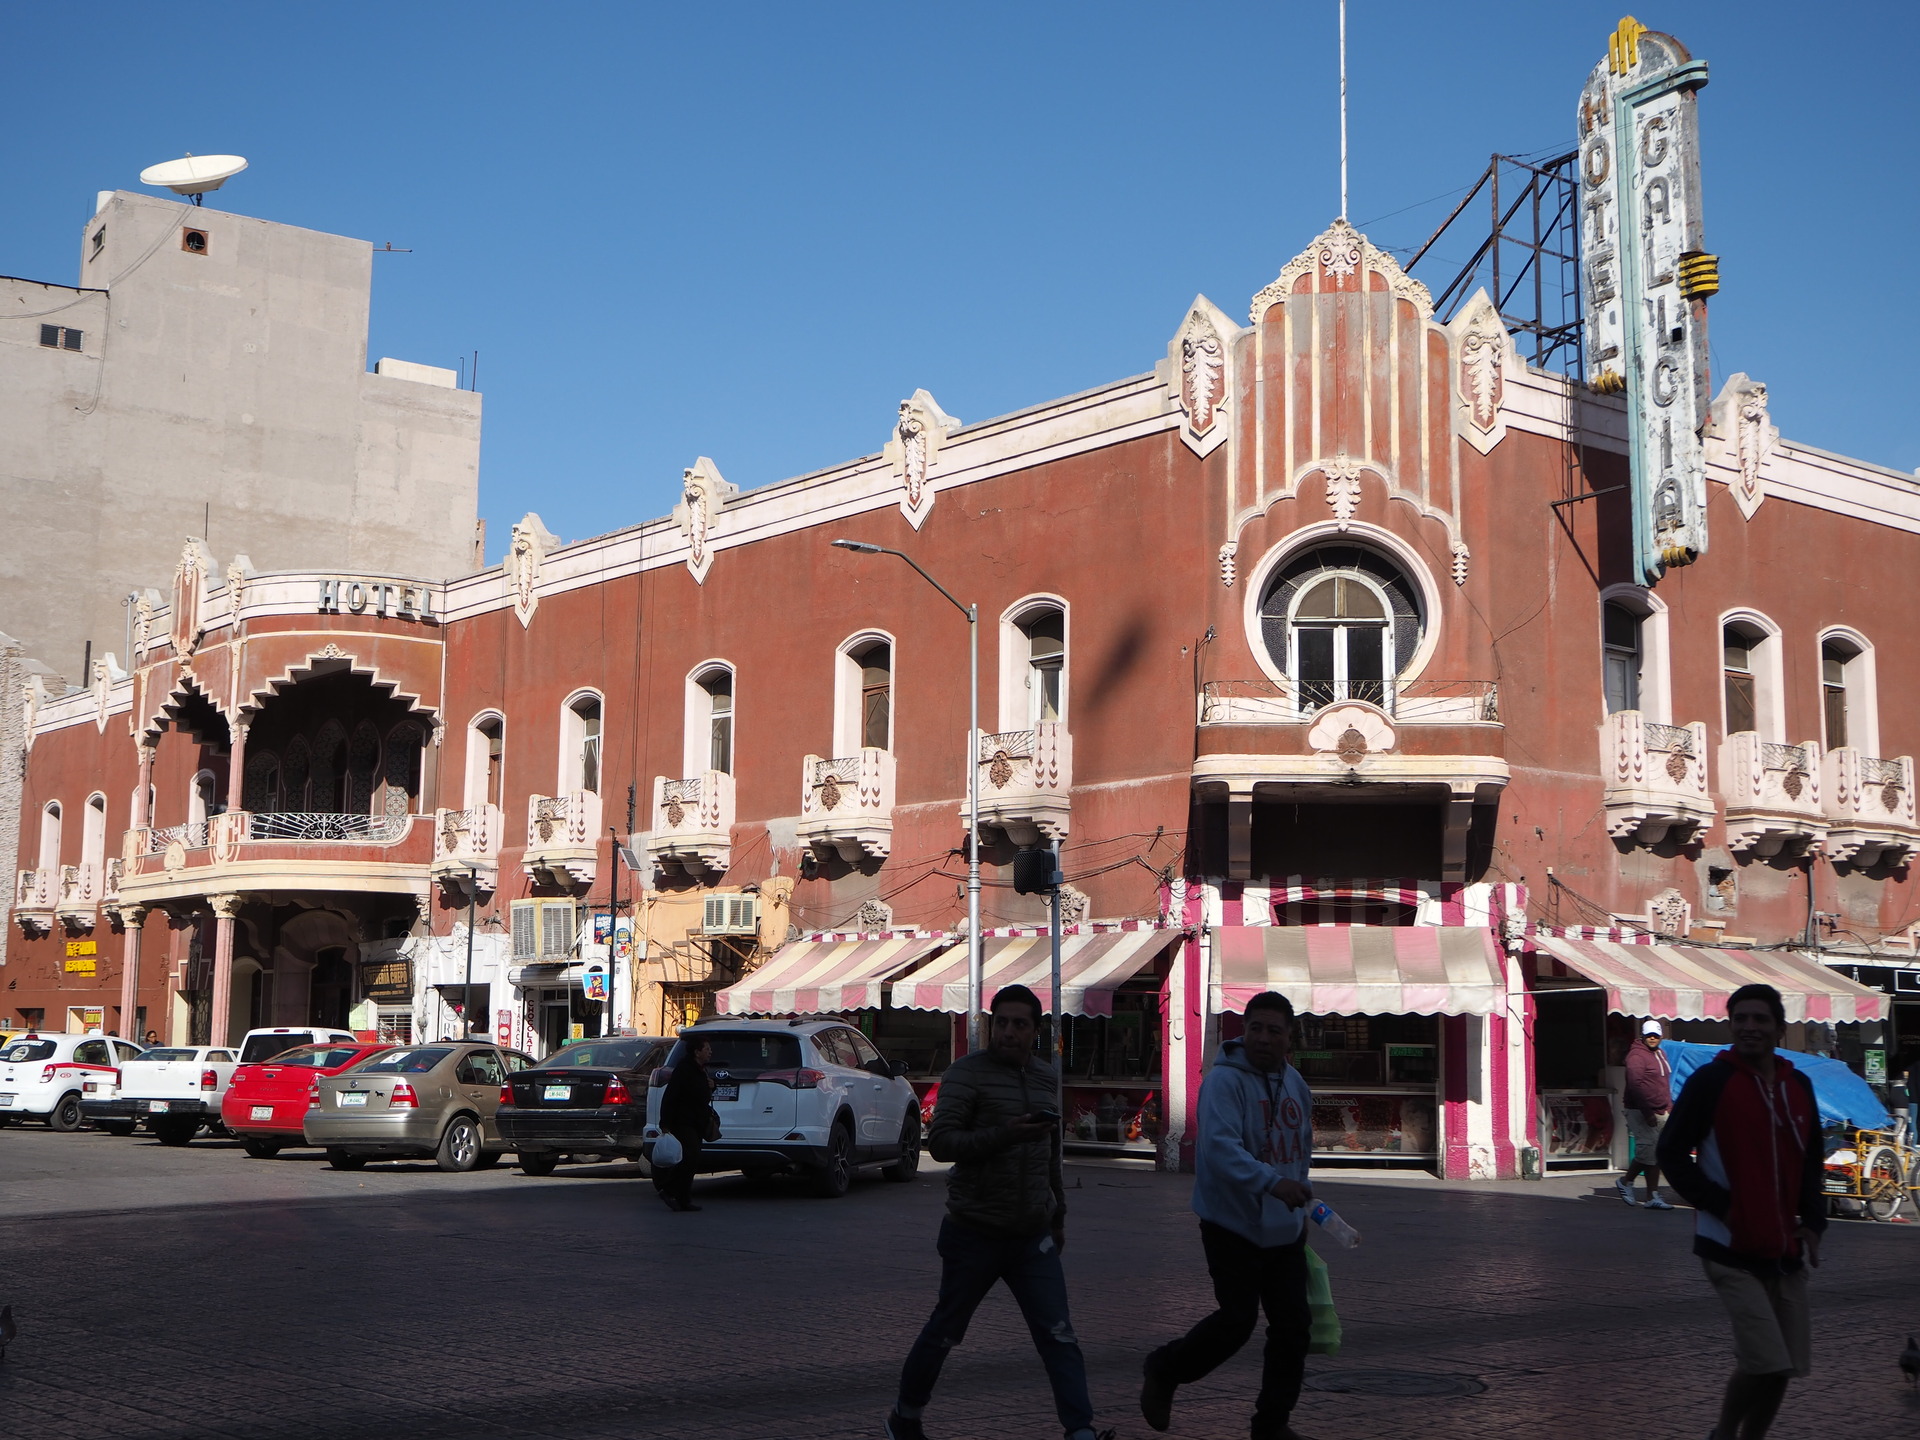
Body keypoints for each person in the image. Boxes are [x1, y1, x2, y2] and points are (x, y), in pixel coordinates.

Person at [887, 985, 1112, 1440]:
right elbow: (944, 1143)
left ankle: (1081, 1431)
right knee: (946, 1331)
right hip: (975, 1230)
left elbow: (1051, 1149)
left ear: (1035, 1031)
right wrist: (1003, 1135)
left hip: (1032, 1235)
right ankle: (906, 1417)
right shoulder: (966, 1074)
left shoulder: (1047, 1076)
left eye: (1020, 1024)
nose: (1009, 1032)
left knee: (1059, 1335)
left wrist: (1058, 1214)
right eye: (1002, 1023)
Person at [1141, 990, 1316, 1440]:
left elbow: (1299, 1145)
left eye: (1273, 1030)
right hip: (1230, 1224)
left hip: (1284, 1230)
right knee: (1237, 1322)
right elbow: (1219, 1150)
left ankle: (1272, 1425)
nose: (1262, 1038)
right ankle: (1165, 1368)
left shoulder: (1295, 1083)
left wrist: (1298, 1192)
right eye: (1254, 1028)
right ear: (1244, 1031)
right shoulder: (1223, 1082)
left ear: (1289, 1037)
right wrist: (1274, 1183)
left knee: (1293, 1327)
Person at [1657, 983, 1826, 1440]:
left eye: (1760, 1019)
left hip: (1785, 1245)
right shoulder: (1711, 1082)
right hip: (1727, 1245)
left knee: (1783, 1363)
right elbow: (1671, 1154)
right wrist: (1721, 1206)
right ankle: (1725, 1434)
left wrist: (1813, 1222)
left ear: (1779, 1028)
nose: (1750, 1027)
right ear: (1731, 1025)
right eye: (1742, 1019)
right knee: (1765, 1358)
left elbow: (1811, 1157)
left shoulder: (1799, 1085)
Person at [1617, 1019, 1675, 1210]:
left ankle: (1652, 1196)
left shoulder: (1661, 1053)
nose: (1653, 1038)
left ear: (1661, 1036)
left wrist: (1669, 1106)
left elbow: (1663, 1083)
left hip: (1661, 1110)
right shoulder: (1636, 1057)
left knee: (1656, 1154)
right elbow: (1635, 1087)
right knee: (1647, 1150)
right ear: (1643, 1036)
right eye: (1649, 1035)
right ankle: (1626, 1181)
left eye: (1656, 1035)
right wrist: (1647, 1112)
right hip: (1640, 1111)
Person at [654, 1034, 715, 1213]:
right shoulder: (684, 1069)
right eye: (706, 1049)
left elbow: (702, 1091)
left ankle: (683, 1199)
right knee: (689, 1157)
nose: (710, 1052)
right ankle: (669, 1190)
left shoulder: (700, 1069)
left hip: (697, 1121)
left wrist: (712, 1085)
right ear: (697, 1052)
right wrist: (665, 1123)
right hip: (683, 1121)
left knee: (692, 1159)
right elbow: (671, 1096)